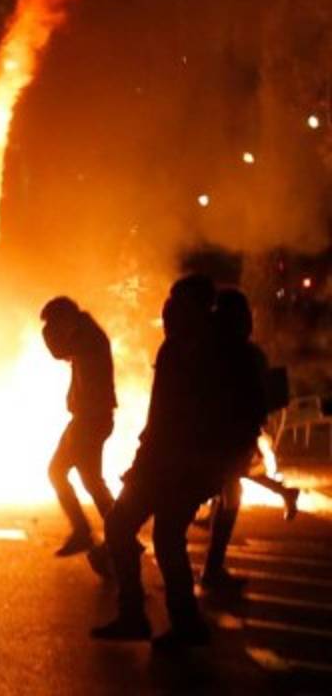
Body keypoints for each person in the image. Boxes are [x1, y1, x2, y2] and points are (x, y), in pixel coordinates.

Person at [94, 275, 265, 650]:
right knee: (151, 533)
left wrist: (145, 462)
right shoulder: (213, 350)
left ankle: (152, 618)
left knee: (134, 529)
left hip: (175, 464)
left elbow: (167, 417)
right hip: (186, 464)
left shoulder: (189, 352)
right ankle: (166, 619)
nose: (169, 312)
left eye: (177, 304)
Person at [200, 288, 291, 590]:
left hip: (227, 434)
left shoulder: (224, 350)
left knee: (229, 488)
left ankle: (213, 565)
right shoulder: (241, 352)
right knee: (228, 487)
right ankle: (213, 565)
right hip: (230, 433)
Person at [40, 297, 117, 558]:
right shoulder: (87, 333)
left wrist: (48, 334)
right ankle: (118, 533)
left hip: (89, 419)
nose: (53, 329)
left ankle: (93, 532)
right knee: (90, 480)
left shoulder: (87, 337)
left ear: (65, 319)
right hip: (90, 418)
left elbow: (59, 351)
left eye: (54, 323)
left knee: (61, 472)